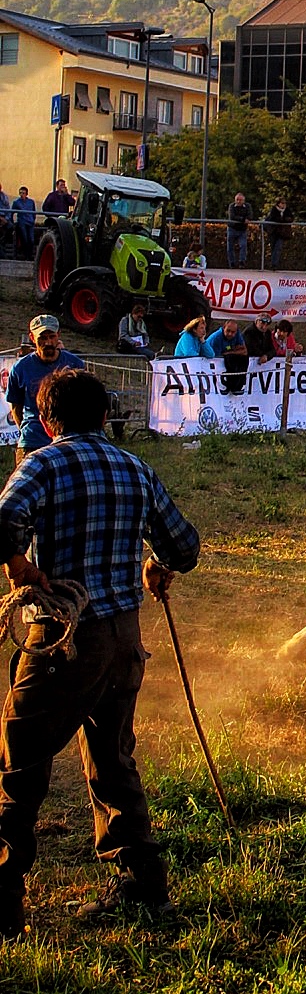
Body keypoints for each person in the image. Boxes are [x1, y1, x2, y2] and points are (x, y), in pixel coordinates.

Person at [0, 368, 200, 934]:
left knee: (19, 762)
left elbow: (2, 521)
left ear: (45, 420)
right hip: (122, 644)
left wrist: (18, 565)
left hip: (63, 640)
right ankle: (142, 883)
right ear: (106, 416)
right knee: (112, 758)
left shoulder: (41, 463)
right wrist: (155, 561)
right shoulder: (136, 468)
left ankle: (4, 896)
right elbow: (184, 548)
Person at [5, 317, 86, 460]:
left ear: (58, 335)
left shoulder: (75, 364)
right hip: (32, 441)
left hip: (69, 441)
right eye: (42, 338)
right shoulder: (20, 368)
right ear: (32, 337)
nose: (48, 342)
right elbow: (15, 406)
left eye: (52, 337)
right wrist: (26, 431)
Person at [208, 319, 248, 391]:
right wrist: (233, 350)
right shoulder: (216, 338)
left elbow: (244, 351)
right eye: (228, 331)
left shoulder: (237, 334)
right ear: (224, 328)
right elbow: (216, 358)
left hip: (226, 353)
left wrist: (229, 352)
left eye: (233, 332)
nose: (230, 334)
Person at [262, 197, 293, 271]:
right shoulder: (274, 210)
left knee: (278, 247)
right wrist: (282, 219)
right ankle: (272, 263)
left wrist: (284, 219)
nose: (284, 205)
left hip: (282, 233)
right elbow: (274, 218)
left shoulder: (287, 210)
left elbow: (291, 218)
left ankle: (274, 264)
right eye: (282, 203)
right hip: (273, 232)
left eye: (284, 203)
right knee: (273, 248)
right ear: (278, 204)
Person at [225, 193, 252, 268]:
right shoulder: (231, 206)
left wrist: (246, 219)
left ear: (244, 200)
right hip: (232, 228)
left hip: (242, 230)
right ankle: (232, 263)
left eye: (240, 200)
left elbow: (250, 215)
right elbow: (232, 217)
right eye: (237, 200)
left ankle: (242, 262)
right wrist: (243, 219)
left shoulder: (247, 206)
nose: (239, 201)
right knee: (230, 247)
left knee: (243, 245)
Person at [12, 189, 36, 260]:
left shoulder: (31, 202)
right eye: (21, 193)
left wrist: (33, 219)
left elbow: (33, 211)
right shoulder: (16, 202)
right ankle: (26, 255)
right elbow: (12, 212)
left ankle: (29, 255)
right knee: (24, 239)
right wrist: (12, 222)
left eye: (23, 193)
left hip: (30, 222)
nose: (22, 195)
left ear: (26, 194)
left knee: (31, 240)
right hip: (22, 222)